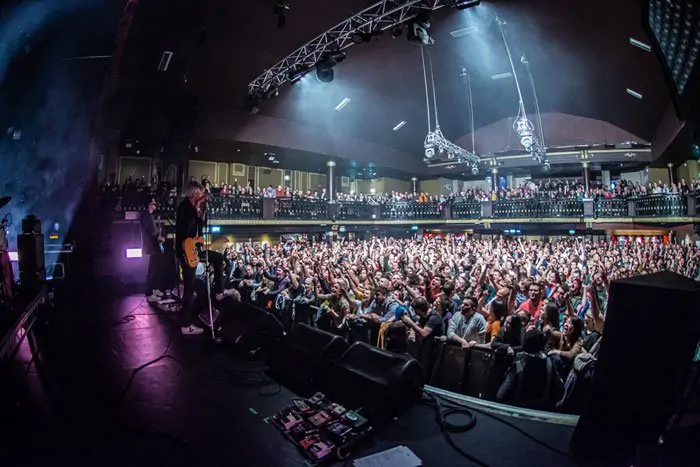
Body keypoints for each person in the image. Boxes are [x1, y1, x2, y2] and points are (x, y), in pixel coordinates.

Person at [175, 181, 207, 335]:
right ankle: (185, 325)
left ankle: (187, 319)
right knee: (189, 288)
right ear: (195, 194)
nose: (202, 196)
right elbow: (188, 232)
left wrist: (201, 212)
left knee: (191, 287)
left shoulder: (188, 208)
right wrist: (196, 210)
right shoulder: (187, 209)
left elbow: (198, 228)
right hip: (186, 251)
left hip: (187, 250)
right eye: (200, 193)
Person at [140, 197, 165, 302]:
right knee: (151, 270)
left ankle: (154, 289)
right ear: (149, 204)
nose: (155, 205)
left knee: (154, 269)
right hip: (150, 247)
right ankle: (149, 294)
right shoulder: (147, 216)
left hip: (152, 247)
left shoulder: (149, 216)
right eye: (154, 203)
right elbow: (153, 233)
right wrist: (161, 238)